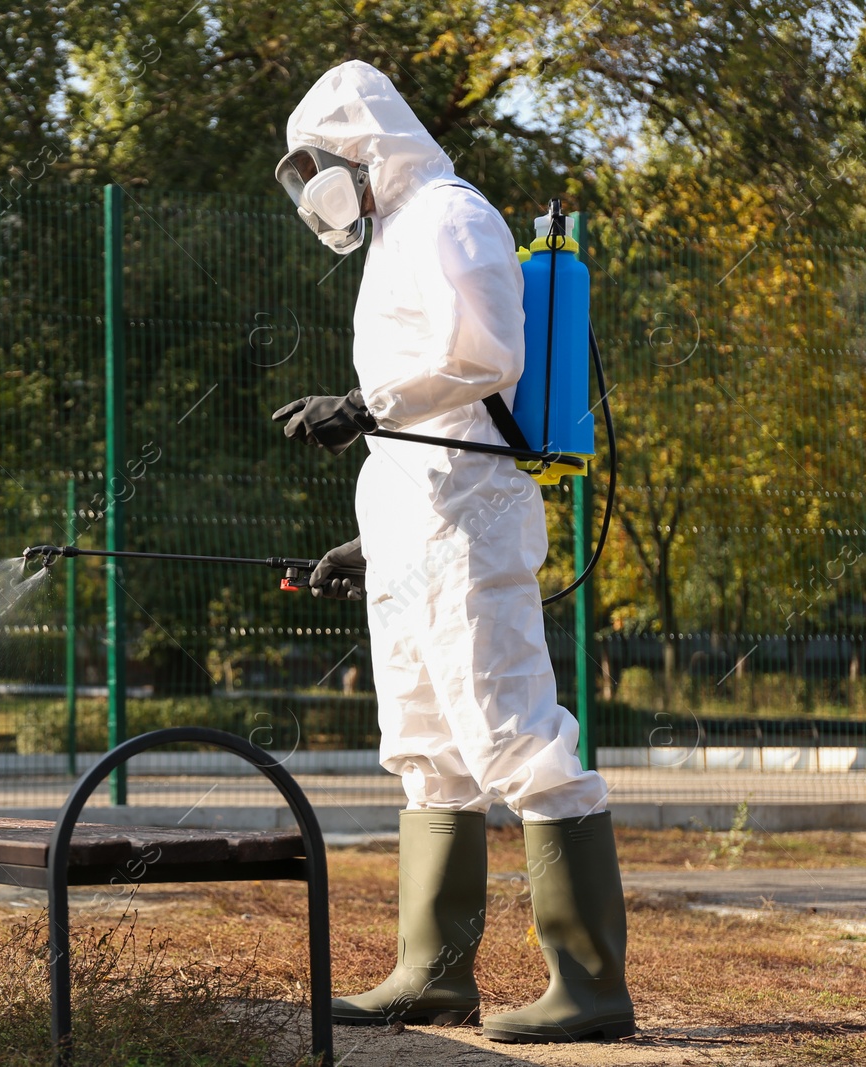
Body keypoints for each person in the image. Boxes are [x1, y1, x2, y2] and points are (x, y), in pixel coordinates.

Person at [270, 60, 634, 1044]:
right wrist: (369, 539)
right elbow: (425, 427)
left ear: (365, 145)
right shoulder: (393, 234)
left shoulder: (448, 214)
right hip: (418, 516)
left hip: (471, 520)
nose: (316, 187)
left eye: (322, 164)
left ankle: (590, 983)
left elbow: (486, 359)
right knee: (424, 745)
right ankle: (431, 973)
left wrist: (360, 406)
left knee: (511, 725)